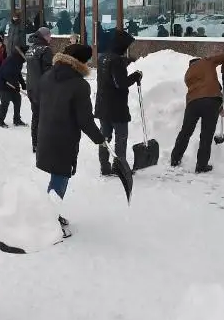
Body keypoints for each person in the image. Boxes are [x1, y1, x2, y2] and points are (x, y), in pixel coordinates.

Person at [35, 45, 105, 236]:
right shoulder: (80, 85)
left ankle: (51, 214)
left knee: (56, 177)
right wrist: (99, 139)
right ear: (81, 61)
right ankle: (49, 223)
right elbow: (84, 120)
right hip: (64, 138)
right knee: (60, 179)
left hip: (46, 133)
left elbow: (37, 99)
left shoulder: (47, 76)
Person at [170, 52, 224, 173]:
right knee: (206, 135)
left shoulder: (188, 74)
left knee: (185, 132)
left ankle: (175, 159)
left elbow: (201, 91)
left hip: (192, 103)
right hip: (211, 101)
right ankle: (201, 166)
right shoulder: (207, 61)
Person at [94, 31, 143, 176]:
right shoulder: (116, 61)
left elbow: (110, 75)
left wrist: (125, 63)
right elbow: (120, 83)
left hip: (103, 105)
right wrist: (135, 76)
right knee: (121, 138)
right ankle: (120, 167)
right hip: (116, 107)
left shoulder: (103, 57)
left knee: (105, 137)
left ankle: (104, 166)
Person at [25, 27, 54, 153]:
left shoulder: (31, 49)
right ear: (44, 36)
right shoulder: (45, 50)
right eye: (49, 35)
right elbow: (48, 72)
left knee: (36, 116)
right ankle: (44, 144)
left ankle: (35, 143)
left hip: (32, 88)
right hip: (43, 89)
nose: (50, 38)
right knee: (45, 117)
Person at [0, 45, 27, 128]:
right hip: (4, 84)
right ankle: (0, 121)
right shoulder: (13, 59)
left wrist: (22, 84)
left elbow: (17, 73)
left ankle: (17, 120)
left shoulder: (18, 60)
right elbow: (7, 74)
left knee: (17, 100)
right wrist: (15, 86)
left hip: (11, 84)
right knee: (5, 103)